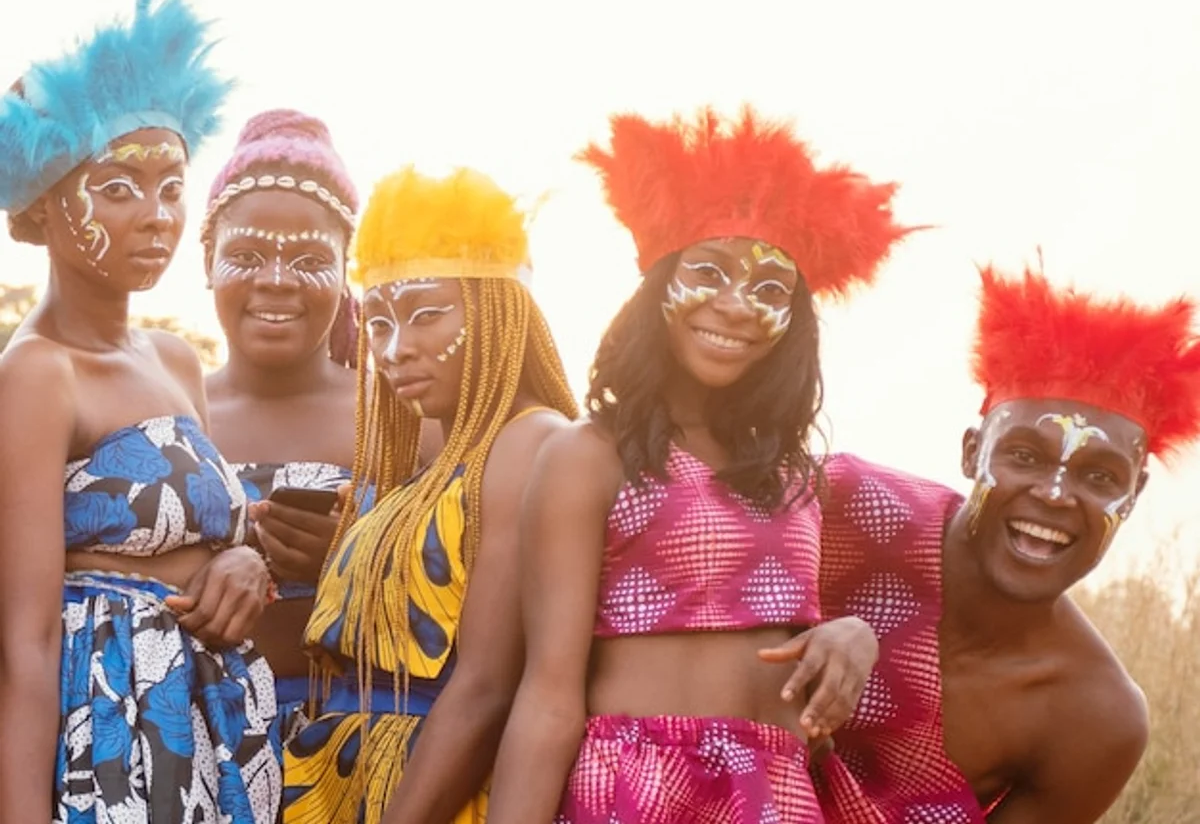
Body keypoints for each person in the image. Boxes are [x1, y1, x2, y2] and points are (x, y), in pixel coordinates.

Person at [488, 106, 915, 824]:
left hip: (777, 794)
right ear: (657, 287)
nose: (736, 305)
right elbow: (550, 692)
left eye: (770, 289)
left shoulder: (798, 477)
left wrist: (857, 631)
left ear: (796, 321)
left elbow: (933, 580)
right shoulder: (589, 456)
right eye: (708, 272)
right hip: (636, 787)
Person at [0, 0, 281, 824]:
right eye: (118, 189)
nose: (155, 216)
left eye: (170, 187)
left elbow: (216, 531)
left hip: (214, 718)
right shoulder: (38, 374)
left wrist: (249, 560)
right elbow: (23, 637)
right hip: (109, 731)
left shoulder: (175, 359)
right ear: (46, 207)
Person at [808, 265, 1200, 823]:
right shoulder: (845, 507)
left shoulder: (1092, 714)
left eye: (1100, 477)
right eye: (1024, 456)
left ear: (1133, 495)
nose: (1057, 494)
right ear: (972, 452)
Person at [282, 166, 580, 824]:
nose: (395, 349)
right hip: (338, 785)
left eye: (425, 315)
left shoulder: (531, 442)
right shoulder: (430, 464)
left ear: (499, 310)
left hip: (435, 793)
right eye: (380, 322)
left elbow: (486, 687)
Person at [201, 107, 364, 727]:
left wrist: (357, 561)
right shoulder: (166, 418)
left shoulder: (404, 416)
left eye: (308, 259)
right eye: (246, 255)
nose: (276, 281)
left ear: (347, 271)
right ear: (206, 262)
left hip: (358, 753)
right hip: (193, 753)